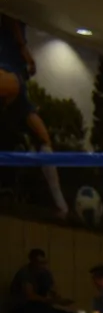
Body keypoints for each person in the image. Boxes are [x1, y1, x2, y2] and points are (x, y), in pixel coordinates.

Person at [0, 18, 66, 219]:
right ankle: (61, 204)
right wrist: (25, 51)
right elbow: (10, 16)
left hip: (15, 77)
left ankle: (61, 204)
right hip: (11, 69)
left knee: (43, 137)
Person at [7, 248, 75, 313]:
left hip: (41, 306)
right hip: (22, 306)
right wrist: (50, 300)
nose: (41, 265)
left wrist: (60, 300)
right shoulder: (25, 272)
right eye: (38, 262)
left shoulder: (45, 273)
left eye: (43, 263)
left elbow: (53, 290)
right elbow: (29, 296)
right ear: (32, 261)